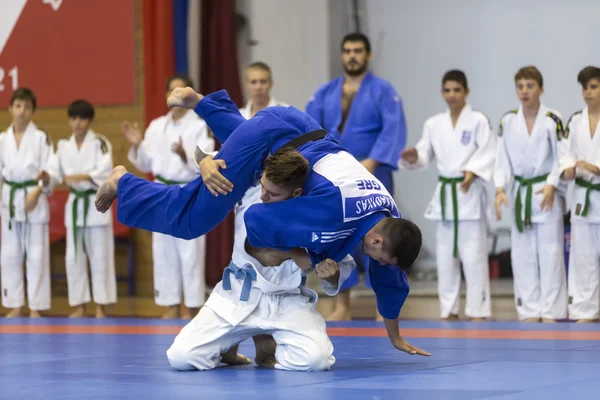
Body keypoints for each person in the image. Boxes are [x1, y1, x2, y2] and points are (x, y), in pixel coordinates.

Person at [95, 88, 428, 356]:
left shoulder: (388, 214)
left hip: (296, 126)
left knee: (252, 150)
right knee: (192, 219)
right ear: (378, 241)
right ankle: (123, 182)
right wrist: (308, 256)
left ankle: (204, 103)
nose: (374, 262)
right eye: (377, 257)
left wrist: (395, 337)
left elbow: (390, 276)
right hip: (273, 140)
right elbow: (256, 217)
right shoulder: (333, 212)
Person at [167, 148, 354, 371]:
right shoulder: (252, 182)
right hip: (236, 293)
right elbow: (204, 156)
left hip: (286, 300)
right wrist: (206, 162)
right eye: (263, 187)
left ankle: (267, 341)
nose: (264, 196)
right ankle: (231, 346)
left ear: (296, 193)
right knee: (181, 357)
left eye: (272, 194)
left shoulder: (317, 210)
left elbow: (345, 259)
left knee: (316, 361)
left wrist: (332, 277)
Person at [306, 33, 407, 320]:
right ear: (342, 55)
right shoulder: (325, 92)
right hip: (335, 179)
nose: (352, 56)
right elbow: (310, 129)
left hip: (372, 176)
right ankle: (342, 303)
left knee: (382, 237)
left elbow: (393, 129)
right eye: (348, 50)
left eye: (358, 51)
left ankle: (382, 304)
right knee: (337, 236)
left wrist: (372, 162)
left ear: (368, 55)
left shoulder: (384, 91)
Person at [400, 70, 495, 321]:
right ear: (442, 92)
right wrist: (413, 158)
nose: (452, 95)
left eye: (457, 90)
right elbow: (423, 154)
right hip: (445, 197)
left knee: (474, 257)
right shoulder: (434, 124)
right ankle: (448, 309)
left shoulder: (477, 121)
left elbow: (488, 151)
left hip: (469, 193)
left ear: (467, 92)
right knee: (445, 258)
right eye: (448, 90)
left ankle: (478, 310)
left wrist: (473, 171)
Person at [122, 73, 214, 319]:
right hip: (161, 191)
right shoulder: (155, 127)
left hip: (188, 189)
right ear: (166, 96)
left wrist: (185, 155)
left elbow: (205, 161)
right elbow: (145, 162)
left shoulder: (198, 125)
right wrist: (136, 144)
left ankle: (192, 307)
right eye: (171, 91)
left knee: (190, 250)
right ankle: (171, 305)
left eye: (181, 91)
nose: (176, 96)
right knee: (163, 251)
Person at [494, 66, 568, 322]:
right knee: (522, 254)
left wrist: (552, 182)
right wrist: (500, 187)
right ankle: (528, 309)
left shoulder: (552, 119)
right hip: (521, 193)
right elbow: (501, 159)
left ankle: (551, 310)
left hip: (546, 193)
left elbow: (563, 157)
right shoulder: (508, 121)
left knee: (550, 252)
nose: (524, 91)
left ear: (541, 88)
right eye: (520, 86)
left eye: (530, 86)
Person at [43, 99, 116, 318]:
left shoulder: (100, 143)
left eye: (83, 119)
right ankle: (79, 305)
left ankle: (101, 306)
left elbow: (106, 171)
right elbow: (54, 172)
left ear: (90, 120)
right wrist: (46, 177)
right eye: (74, 119)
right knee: (74, 258)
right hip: (75, 206)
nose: (78, 123)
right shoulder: (64, 146)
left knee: (100, 256)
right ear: (69, 120)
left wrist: (81, 176)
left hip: (97, 204)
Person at [0, 88, 53, 318]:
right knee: (10, 254)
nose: (22, 112)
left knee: (36, 254)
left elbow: (50, 171)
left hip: (34, 200)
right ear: (11, 108)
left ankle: (36, 307)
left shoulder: (41, 138)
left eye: (27, 107)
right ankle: (14, 304)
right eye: (18, 106)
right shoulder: (2, 139)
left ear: (33, 111)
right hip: (10, 201)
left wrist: (39, 190)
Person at [559, 66, 600, 323]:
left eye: (593, 86)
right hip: (583, 200)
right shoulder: (575, 120)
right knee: (583, 258)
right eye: (584, 87)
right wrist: (568, 170)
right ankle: (586, 310)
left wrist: (595, 168)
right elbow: (565, 153)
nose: (588, 92)